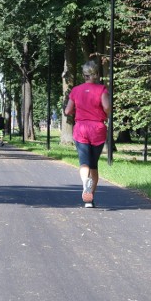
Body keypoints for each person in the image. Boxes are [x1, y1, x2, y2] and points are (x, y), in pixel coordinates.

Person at [63, 60, 110, 208]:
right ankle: (89, 200)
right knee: (93, 165)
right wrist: (106, 114)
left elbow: (67, 111)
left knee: (84, 162)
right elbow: (107, 106)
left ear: (84, 75)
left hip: (81, 128)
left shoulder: (76, 90)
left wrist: (77, 109)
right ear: (96, 74)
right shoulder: (102, 89)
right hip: (97, 129)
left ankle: (85, 184)